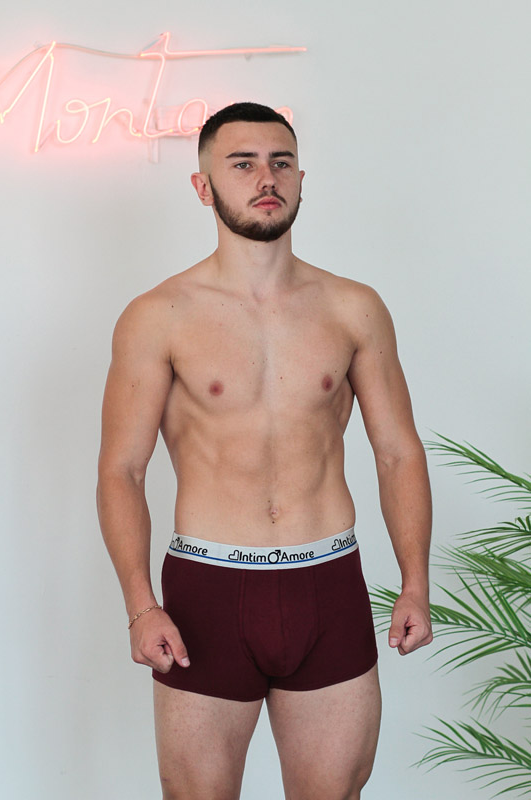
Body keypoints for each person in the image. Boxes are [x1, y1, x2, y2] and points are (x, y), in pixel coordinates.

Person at [97, 101, 433, 800]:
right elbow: (122, 470)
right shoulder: (158, 316)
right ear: (203, 187)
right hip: (207, 592)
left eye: (280, 162)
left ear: (301, 179)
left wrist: (414, 583)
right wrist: (140, 604)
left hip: (327, 584)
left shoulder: (353, 307)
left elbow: (397, 452)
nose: (265, 178)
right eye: (242, 164)